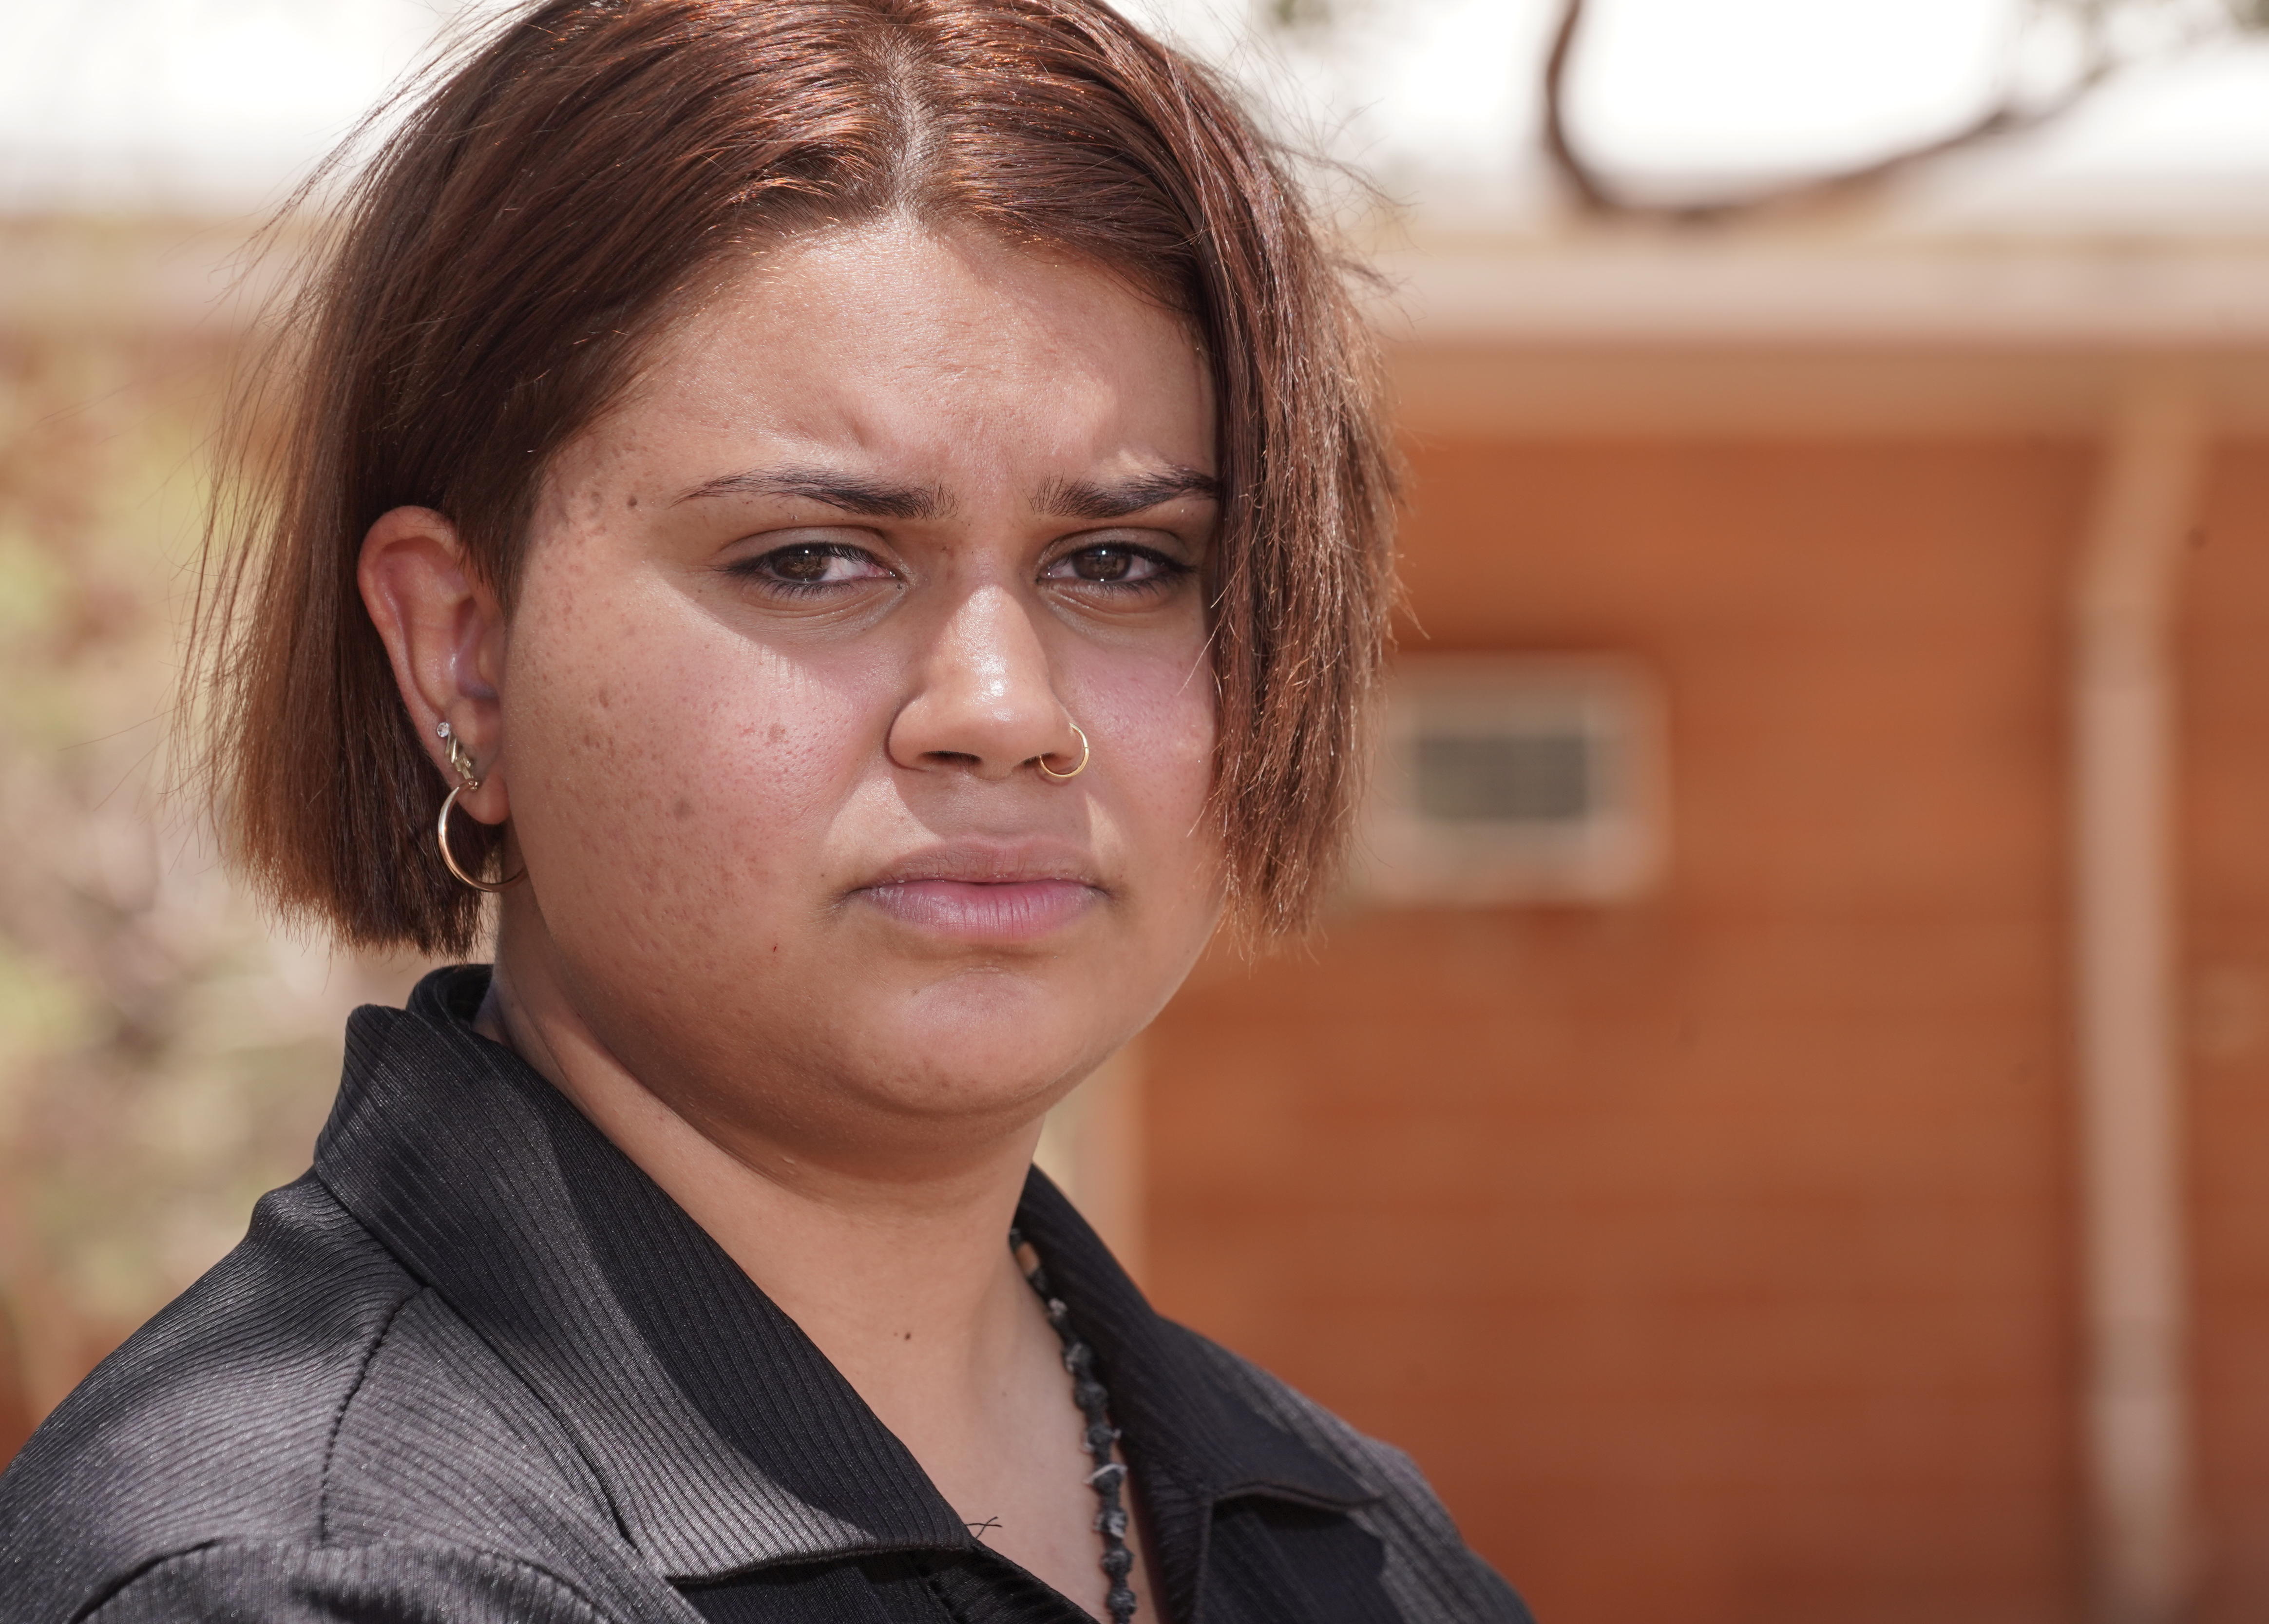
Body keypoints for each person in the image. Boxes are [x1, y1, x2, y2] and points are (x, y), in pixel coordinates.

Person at [0, 2, 1530, 1621]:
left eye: (1123, 564)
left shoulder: (1356, 1547)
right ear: (466, 653)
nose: (1005, 714)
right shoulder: (309, 1574)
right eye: (812, 559)